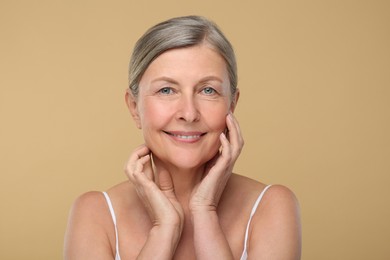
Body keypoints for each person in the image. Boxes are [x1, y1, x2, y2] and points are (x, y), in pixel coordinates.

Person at [64, 15, 301, 260]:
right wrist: (163, 229)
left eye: (208, 90)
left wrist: (205, 211)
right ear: (134, 107)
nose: (188, 114)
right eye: (166, 90)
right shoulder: (95, 213)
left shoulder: (271, 206)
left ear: (232, 104)